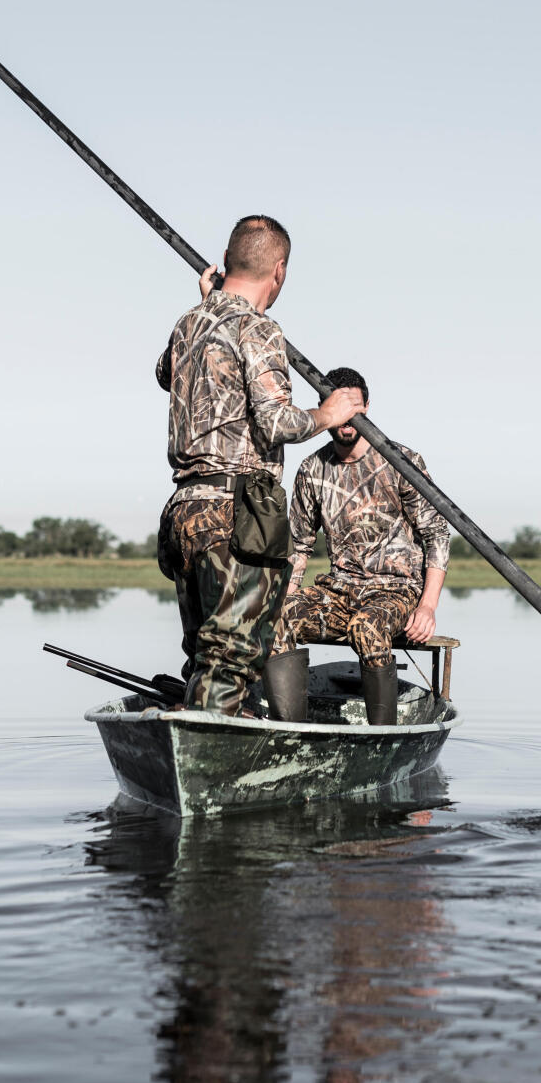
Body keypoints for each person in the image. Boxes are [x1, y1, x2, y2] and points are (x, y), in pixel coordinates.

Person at [156, 215, 367, 716]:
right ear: (280, 271)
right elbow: (276, 424)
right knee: (230, 658)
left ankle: (207, 736)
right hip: (236, 513)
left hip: (185, 510)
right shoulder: (260, 329)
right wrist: (327, 413)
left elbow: (165, 373)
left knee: (205, 655)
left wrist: (209, 303)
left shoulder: (189, 322)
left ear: (227, 262)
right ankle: (214, 760)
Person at [265, 366, 449, 726]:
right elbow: (299, 546)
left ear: (367, 407)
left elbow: (437, 536)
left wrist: (427, 607)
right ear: (325, 407)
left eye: (356, 408)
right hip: (339, 590)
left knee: (366, 627)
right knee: (274, 617)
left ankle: (384, 737)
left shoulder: (401, 462)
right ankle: (290, 733)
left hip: (396, 591)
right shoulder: (312, 469)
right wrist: (285, 597)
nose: (348, 419)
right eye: (340, 408)